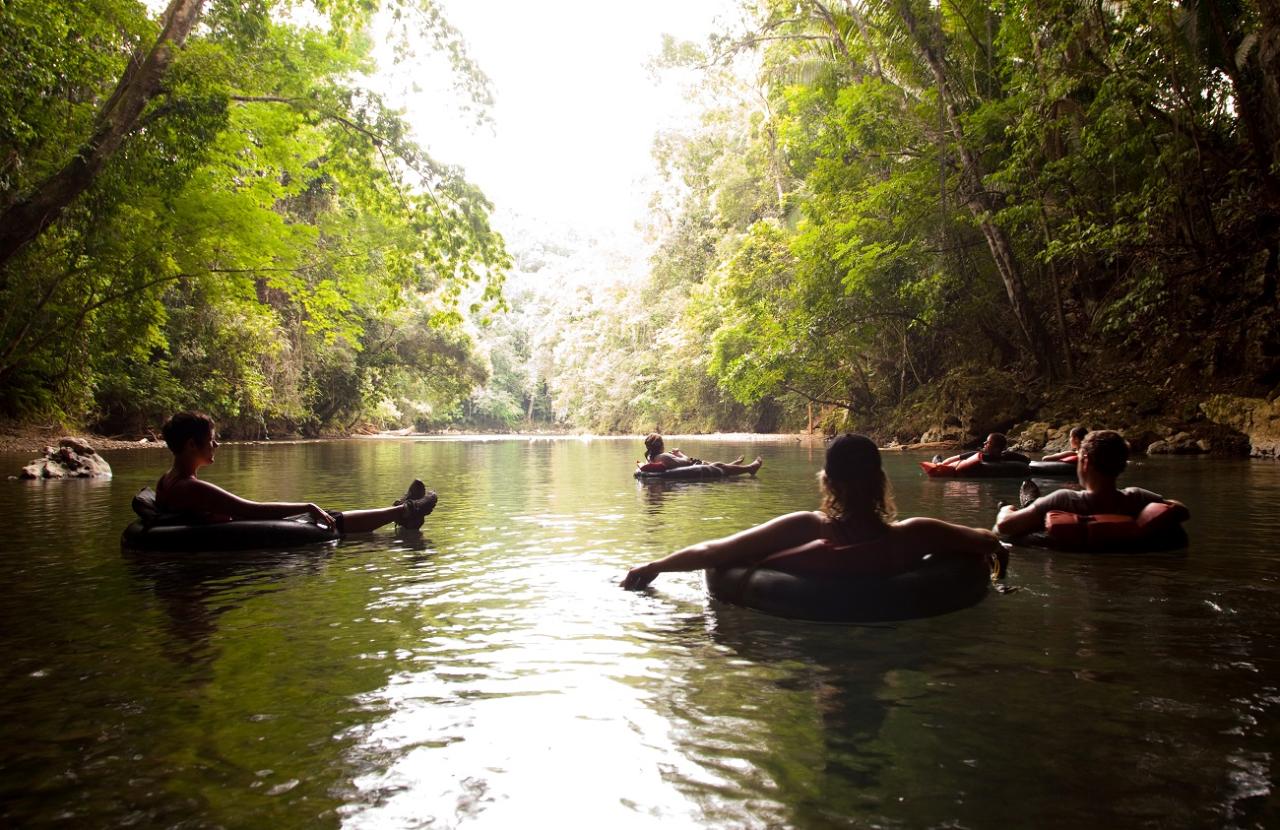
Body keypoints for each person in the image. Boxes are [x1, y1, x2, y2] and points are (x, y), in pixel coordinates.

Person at [622, 433, 1006, 590]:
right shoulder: (918, 534)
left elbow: (714, 553)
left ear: (828, 482)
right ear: (881, 481)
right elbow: (989, 542)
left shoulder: (806, 527)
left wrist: (653, 566)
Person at [155, 411, 437, 532]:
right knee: (332, 521)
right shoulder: (190, 487)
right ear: (192, 445)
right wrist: (307, 505)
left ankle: (401, 511)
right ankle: (406, 512)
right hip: (249, 532)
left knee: (328, 515)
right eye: (211, 439)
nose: (216, 444)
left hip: (237, 527)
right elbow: (250, 509)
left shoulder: (166, 481)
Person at [995, 429, 1189, 537]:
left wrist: (1007, 509)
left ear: (1085, 462)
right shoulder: (1138, 497)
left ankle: (1027, 503)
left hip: (1068, 568)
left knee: (1020, 503)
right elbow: (1180, 510)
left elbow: (1004, 526)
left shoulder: (1064, 500)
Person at [641, 433, 762, 475]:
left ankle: (733, 465)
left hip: (689, 467)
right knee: (718, 465)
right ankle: (750, 468)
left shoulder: (652, 458)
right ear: (661, 445)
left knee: (716, 464)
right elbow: (687, 461)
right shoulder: (663, 457)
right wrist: (679, 454)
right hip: (691, 468)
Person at [934, 432, 1030, 467]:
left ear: (996, 448)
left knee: (937, 459)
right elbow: (1027, 460)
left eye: (987, 442)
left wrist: (940, 465)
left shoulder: (980, 455)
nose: (984, 443)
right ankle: (938, 460)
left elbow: (955, 458)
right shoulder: (1008, 455)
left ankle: (938, 460)